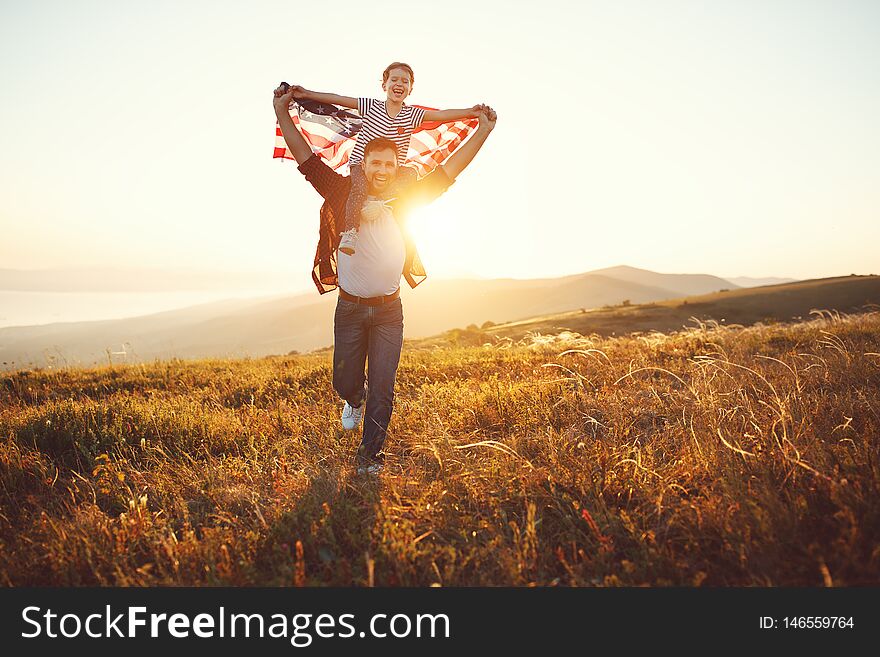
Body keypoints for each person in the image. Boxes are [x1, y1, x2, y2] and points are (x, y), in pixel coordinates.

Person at [273, 82, 496, 474]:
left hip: (390, 311)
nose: (381, 170)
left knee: (383, 387)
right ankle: (351, 400)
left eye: (388, 165)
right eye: (375, 163)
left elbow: (451, 169)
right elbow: (305, 157)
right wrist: (280, 112)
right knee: (344, 381)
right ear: (363, 165)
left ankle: (370, 458)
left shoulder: (410, 197)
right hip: (350, 309)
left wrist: (484, 130)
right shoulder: (342, 192)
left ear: (397, 168)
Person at [286, 62, 481, 256]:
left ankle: (381, 203)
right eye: (394, 79)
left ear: (410, 89)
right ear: (384, 85)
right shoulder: (371, 106)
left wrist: (470, 112)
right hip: (361, 166)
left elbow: (441, 115)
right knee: (359, 189)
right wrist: (308, 94)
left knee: (410, 175)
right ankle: (352, 232)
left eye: (405, 81)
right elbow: (339, 100)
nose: (399, 84)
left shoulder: (412, 114)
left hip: (393, 170)